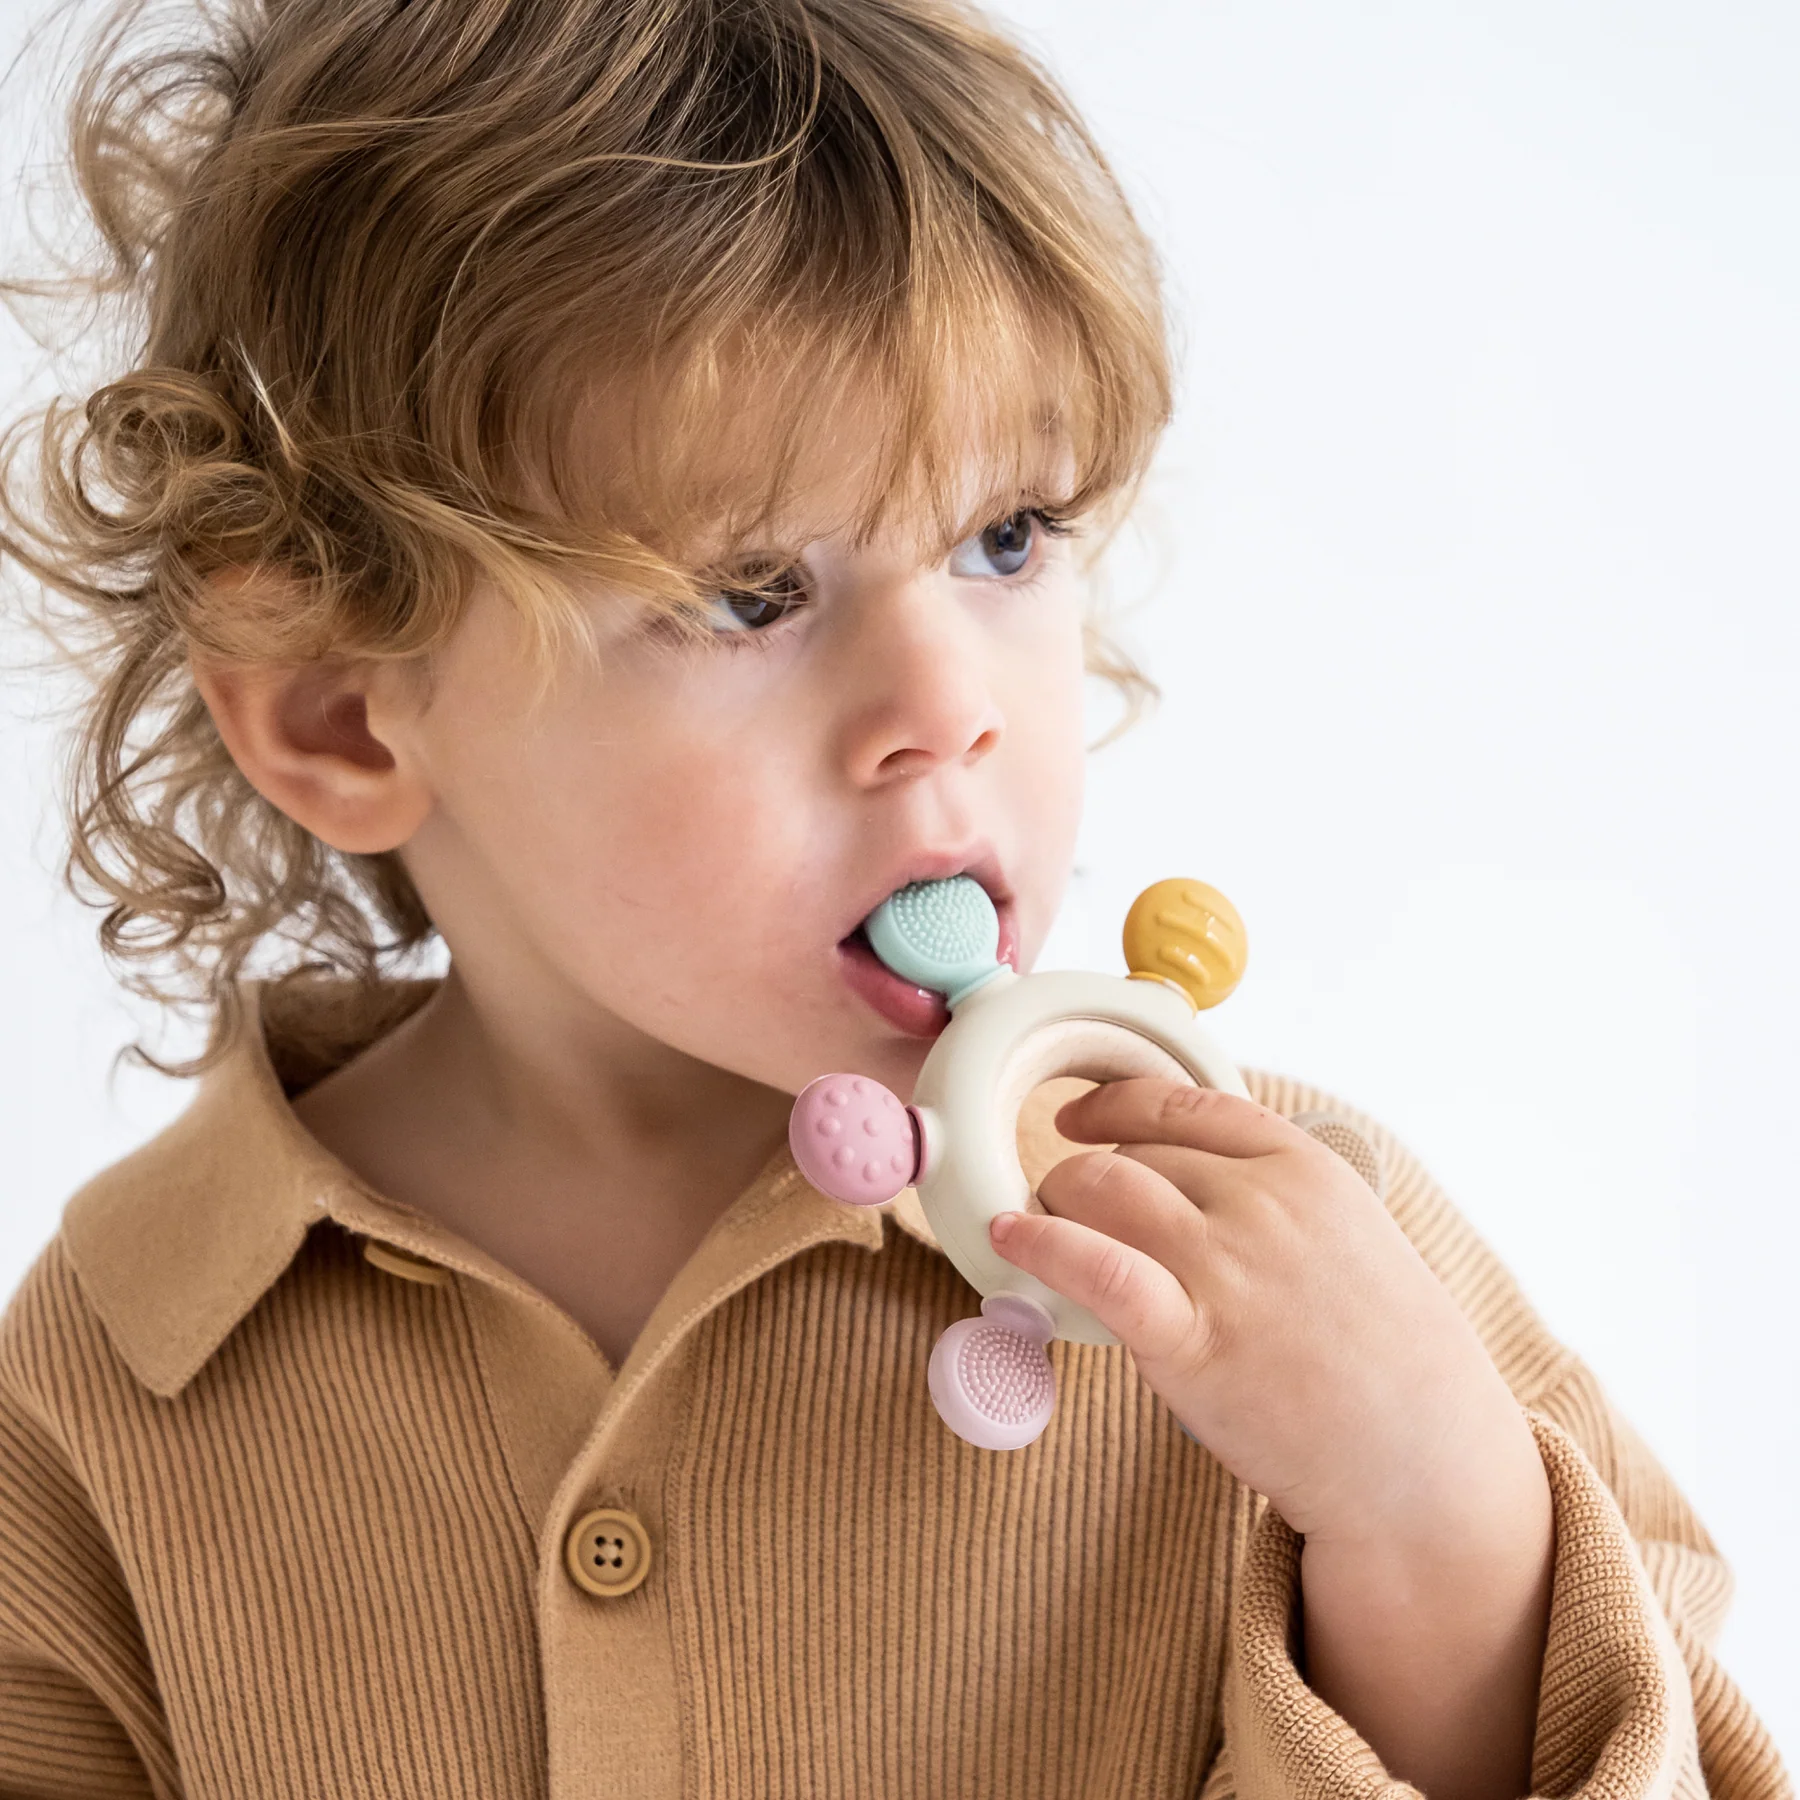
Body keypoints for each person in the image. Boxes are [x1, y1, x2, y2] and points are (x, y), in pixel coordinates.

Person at [0, 0, 1787, 1794]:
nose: (952, 706)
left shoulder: (1294, 1245)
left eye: (1006, 538)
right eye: (752, 591)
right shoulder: (115, 1373)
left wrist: (1430, 1518)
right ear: (336, 711)